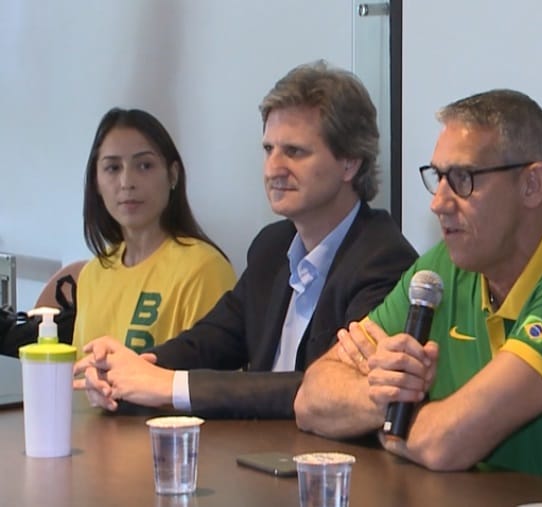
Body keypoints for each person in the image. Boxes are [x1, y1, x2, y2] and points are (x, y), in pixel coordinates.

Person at [294, 89, 542, 506]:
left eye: (463, 179)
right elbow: (312, 399)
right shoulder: (441, 270)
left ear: (532, 184)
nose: (439, 203)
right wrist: (382, 395)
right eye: (437, 177)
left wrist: (389, 420)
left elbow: (446, 443)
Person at [73, 61, 418, 419]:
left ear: (350, 163)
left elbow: (321, 390)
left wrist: (166, 385)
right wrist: (128, 371)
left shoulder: (384, 261)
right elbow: (211, 341)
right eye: (269, 149)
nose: (273, 168)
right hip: (261, 461)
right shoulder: (272, 247)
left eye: (295, 152)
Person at [73, 108, 237, 355]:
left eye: (145, 165)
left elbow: (215, 385)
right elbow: (79, 377)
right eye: (113, 168)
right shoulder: (92, 274)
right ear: (96, 181)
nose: (127, 182)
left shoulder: (204, 269)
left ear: (172, 175)